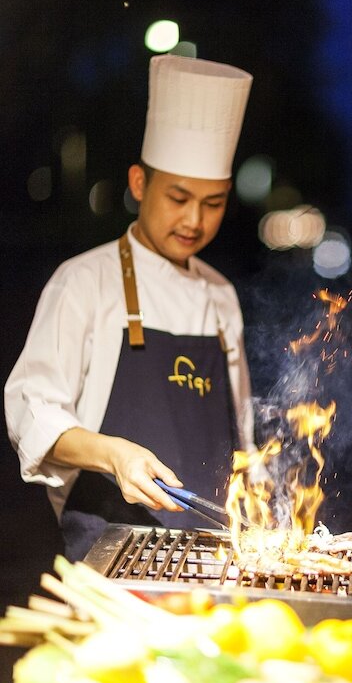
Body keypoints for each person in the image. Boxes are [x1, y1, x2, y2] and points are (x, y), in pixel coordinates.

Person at [5, 54, 256, 561]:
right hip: (111, 553)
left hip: (215, 556)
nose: (194, 220)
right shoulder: (84, 281)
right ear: (140, 184)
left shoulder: (221, 295)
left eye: (213, 203)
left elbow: (243, 437)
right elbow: (31, 410)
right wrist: (114, 455)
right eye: (178, 197)